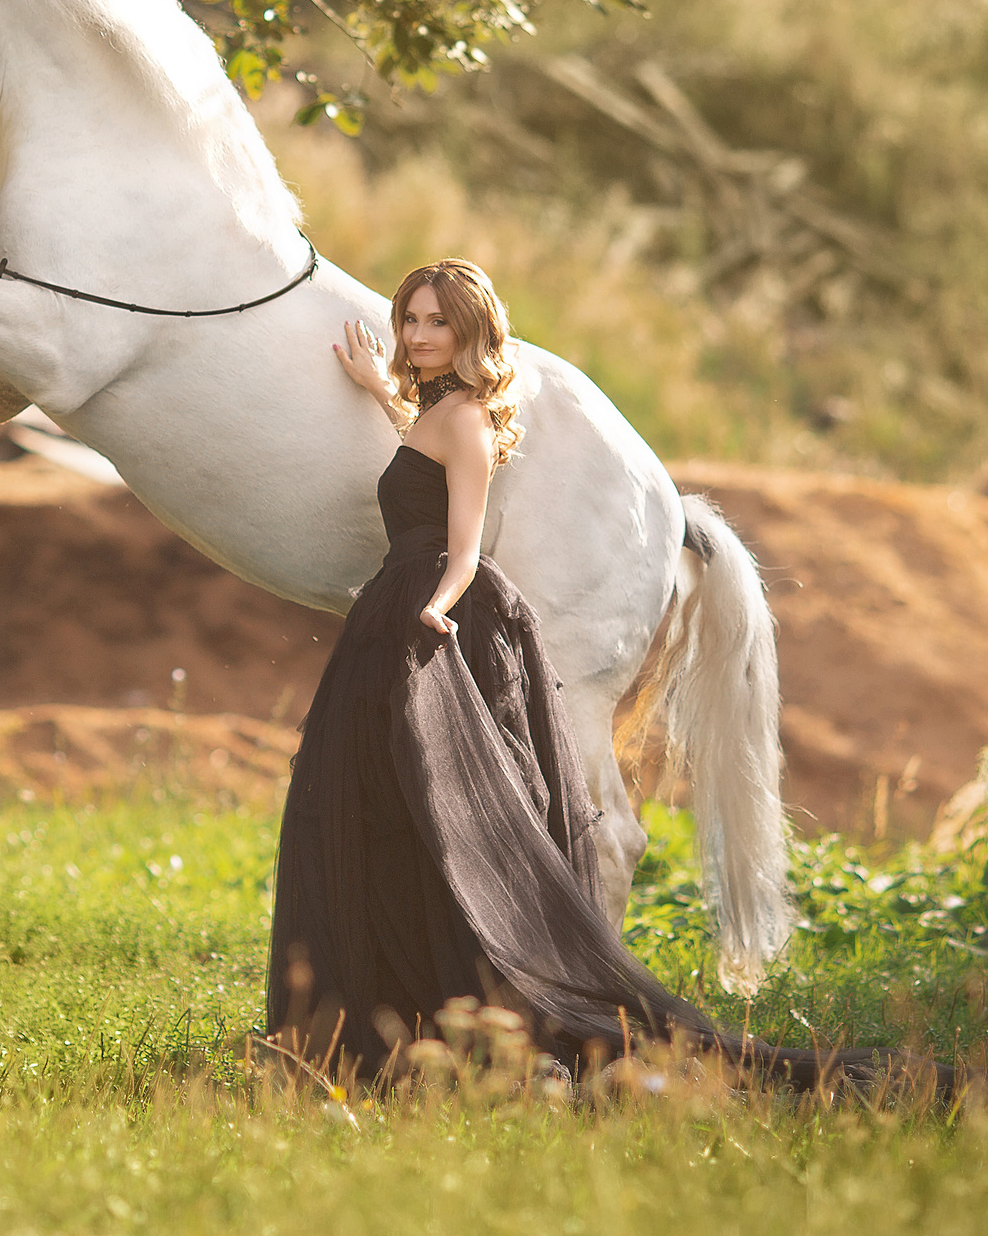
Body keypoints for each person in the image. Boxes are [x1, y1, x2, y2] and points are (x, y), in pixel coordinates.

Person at [265, 257, 750, 1081]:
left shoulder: (467, 419)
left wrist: (438, 606)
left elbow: (466, 539)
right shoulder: (437, 408)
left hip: (428, 605)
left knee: (438, 810)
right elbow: (422, 449)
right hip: (404, 601)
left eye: (435, 323)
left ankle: (466, 1017)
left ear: (469, 331)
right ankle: (393, 1010)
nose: (416, 336)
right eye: (409, 320)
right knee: (385, 803)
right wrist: (376, 386)